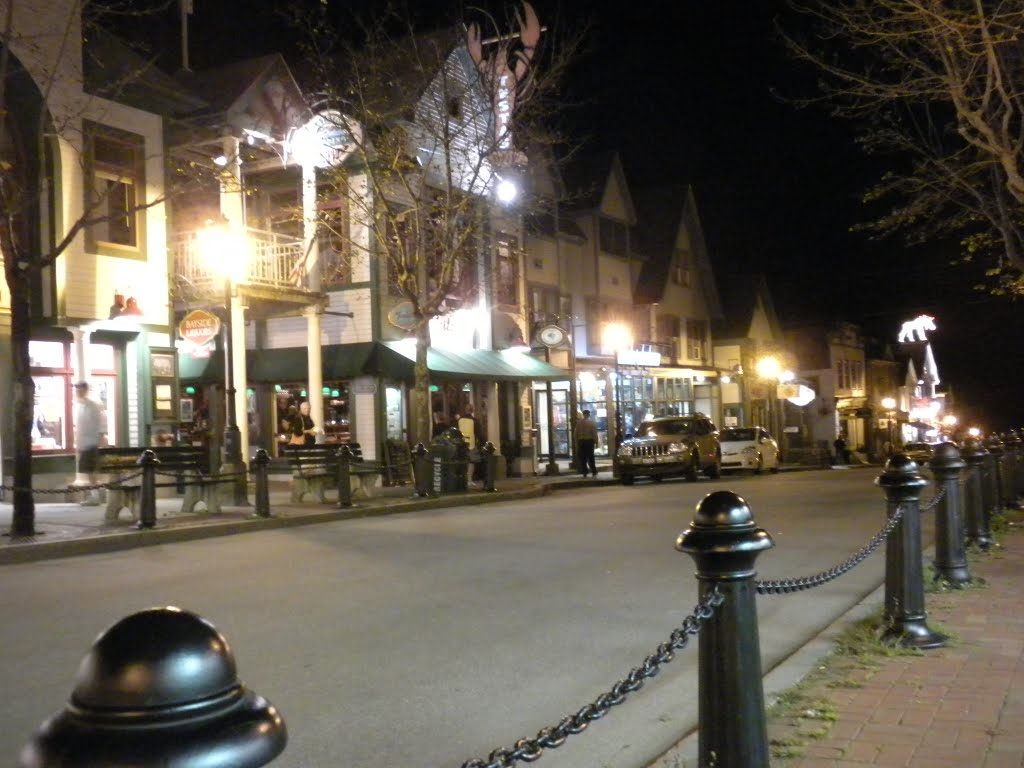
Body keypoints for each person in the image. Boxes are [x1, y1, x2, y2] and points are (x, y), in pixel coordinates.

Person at [74, 381, 105, 506]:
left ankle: (95, 496)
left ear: (86, 390)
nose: (78, 393)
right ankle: (93, 495)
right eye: (77, 390)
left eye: (80, 390)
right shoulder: (80, 406)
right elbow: (81, 427)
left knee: (91, 471)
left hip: (91, 442)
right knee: (87, 471)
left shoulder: (92, 405)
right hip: (84, 443)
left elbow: (100, 424)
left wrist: (100, 438)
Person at [457, 405, 485, 485]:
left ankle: (462, 479)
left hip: (461, 444)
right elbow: (479, 434)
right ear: (472, 411)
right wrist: (483, 443)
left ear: (465, 410)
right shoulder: (474, 421)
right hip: (471, 444)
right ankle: (469, 480)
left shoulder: (460, 420)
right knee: (471, 462)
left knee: (462, 462)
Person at [576, 409, 598, 477]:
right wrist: (596, 442)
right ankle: (593, 471)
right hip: (589, 441)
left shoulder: (579, 423)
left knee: (583, 457)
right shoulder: (591, 423)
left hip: (581, 441)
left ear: (583, 414)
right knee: (591, 456)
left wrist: (577, 441)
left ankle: (584, 471)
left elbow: (575, 433)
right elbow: (594, 433)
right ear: (589, 414)